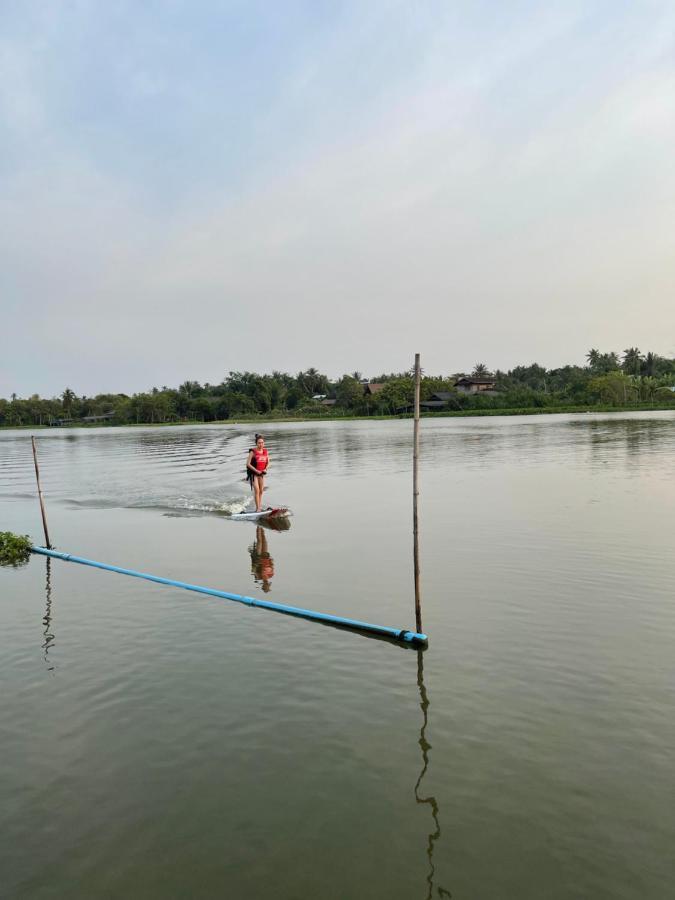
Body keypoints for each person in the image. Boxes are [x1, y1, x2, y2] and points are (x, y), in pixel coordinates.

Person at [246, 433, 269, 512]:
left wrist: (266, 469)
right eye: (259, 443)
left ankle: (259, 506)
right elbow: (248, 464)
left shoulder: (265, 451)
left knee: (261, 491)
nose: (261, 444)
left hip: (261, 474)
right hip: (254, 474)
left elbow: (268, 462)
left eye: (262, 442)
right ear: (256, 443)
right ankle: (258, 509)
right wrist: (256, 471)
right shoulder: (252, 452)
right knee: (257, 490)